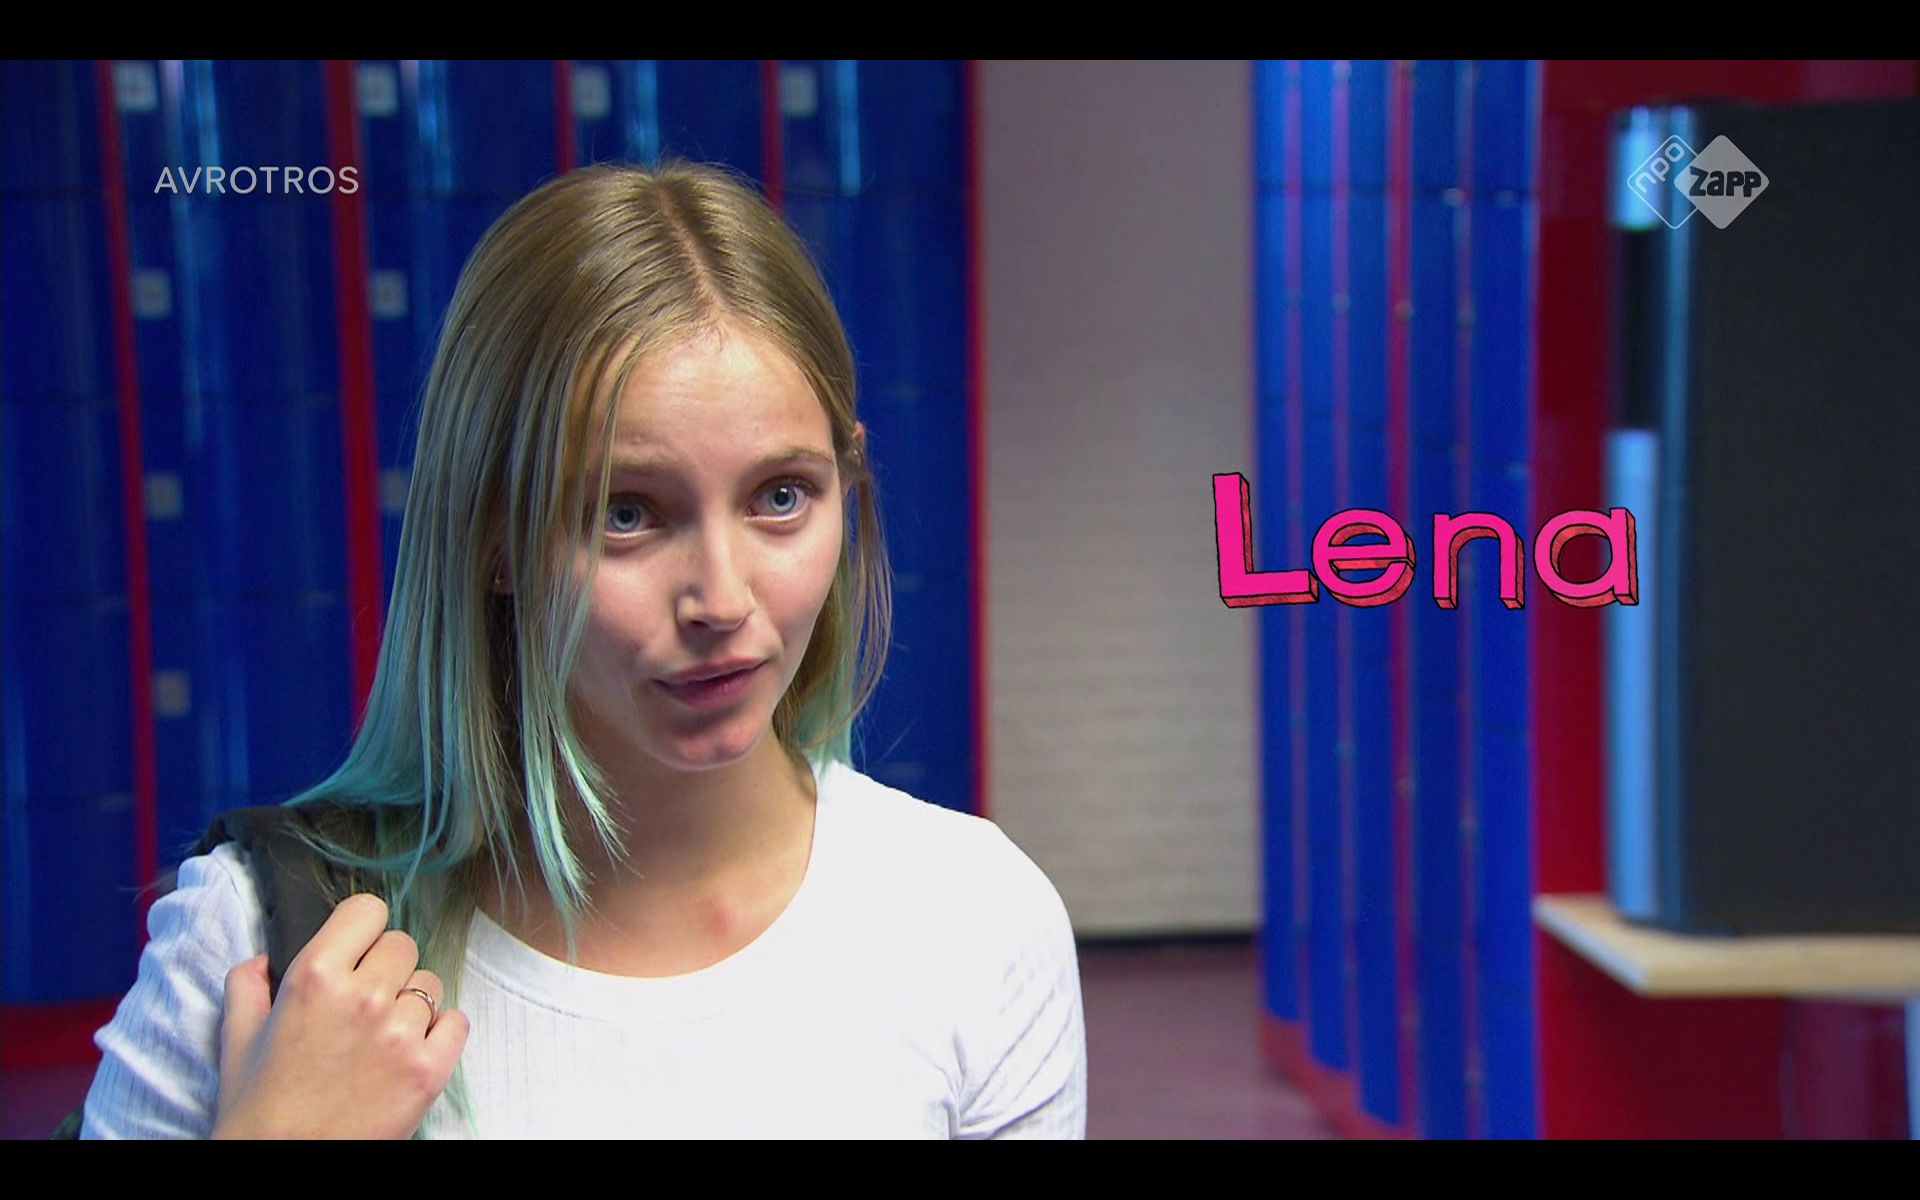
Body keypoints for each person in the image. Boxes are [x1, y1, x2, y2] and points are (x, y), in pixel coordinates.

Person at [79, 161, 1086, 1139]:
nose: (722, 599)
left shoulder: (975, 922)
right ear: (494, 540)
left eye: (781, 496)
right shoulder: (261, 945)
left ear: (846, 480)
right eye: (626, 512)